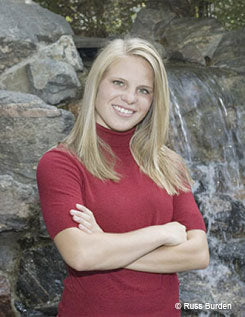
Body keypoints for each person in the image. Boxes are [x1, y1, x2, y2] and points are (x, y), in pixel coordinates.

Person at [36, 37, 209, 317]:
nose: (130, 98)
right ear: (97, 85)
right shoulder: (60, 164)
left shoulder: (168, 163)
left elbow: (198, 254)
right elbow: (82, 256)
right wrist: (160, 233)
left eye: (143, 90)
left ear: (154, 100)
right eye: (119, 83)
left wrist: (105, 243)